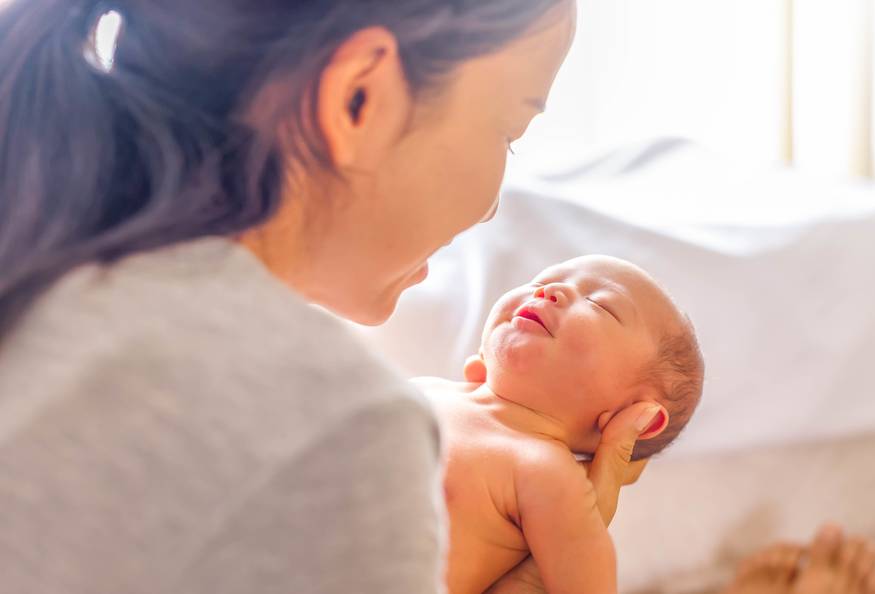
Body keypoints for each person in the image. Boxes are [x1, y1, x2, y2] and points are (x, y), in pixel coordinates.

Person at [0, 0, 589, 592]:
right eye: (509, 132)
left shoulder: (41, 241)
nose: (490, 210)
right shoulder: (342, 427)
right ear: (359, 98)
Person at [415, 255, 704, 593]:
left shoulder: (546, 474)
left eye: (600, 305)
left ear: (635, 412)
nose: (550, 291)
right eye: (539, 281)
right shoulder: (426, 389)